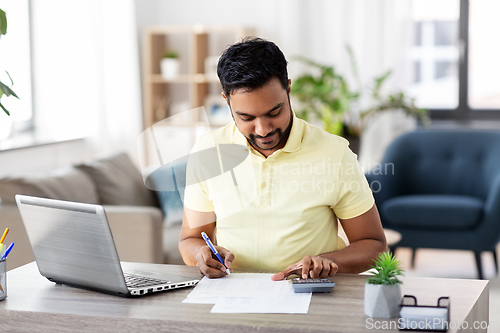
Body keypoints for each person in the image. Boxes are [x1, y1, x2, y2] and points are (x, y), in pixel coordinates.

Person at [178, 37, 387, 281]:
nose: (263, 129)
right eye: (246, 117)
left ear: (288, 89)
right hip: (232, 294)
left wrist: (329, 262)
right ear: (227, 101)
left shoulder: (335, 154)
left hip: (308, 294)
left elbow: (374, 245)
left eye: (274, 112)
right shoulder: (208, 152)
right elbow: (189, 240)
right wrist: (202, 254)